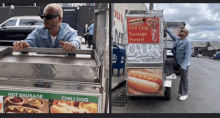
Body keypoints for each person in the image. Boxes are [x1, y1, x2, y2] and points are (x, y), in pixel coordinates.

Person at [13, 3, 81, 51]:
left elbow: (76, 42)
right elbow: (30, 41)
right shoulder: (38, 31)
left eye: (49, 16)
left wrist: (71, 45)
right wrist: (23, 44)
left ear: (60, 19)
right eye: (43, 16)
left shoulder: (69, 32)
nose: (45, 19)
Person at [164, 28, 192, 101]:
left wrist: (184, 65)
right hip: (177, 60)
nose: (181, 31)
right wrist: (166, 29)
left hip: (183, 63)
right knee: (168, 61)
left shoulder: (187, 43)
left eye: (182, 31)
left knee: (184, 79)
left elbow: (188, 55)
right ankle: (172, 74)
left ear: (185, 34)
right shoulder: (178, 40)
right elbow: (171, 34)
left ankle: (184, 94)